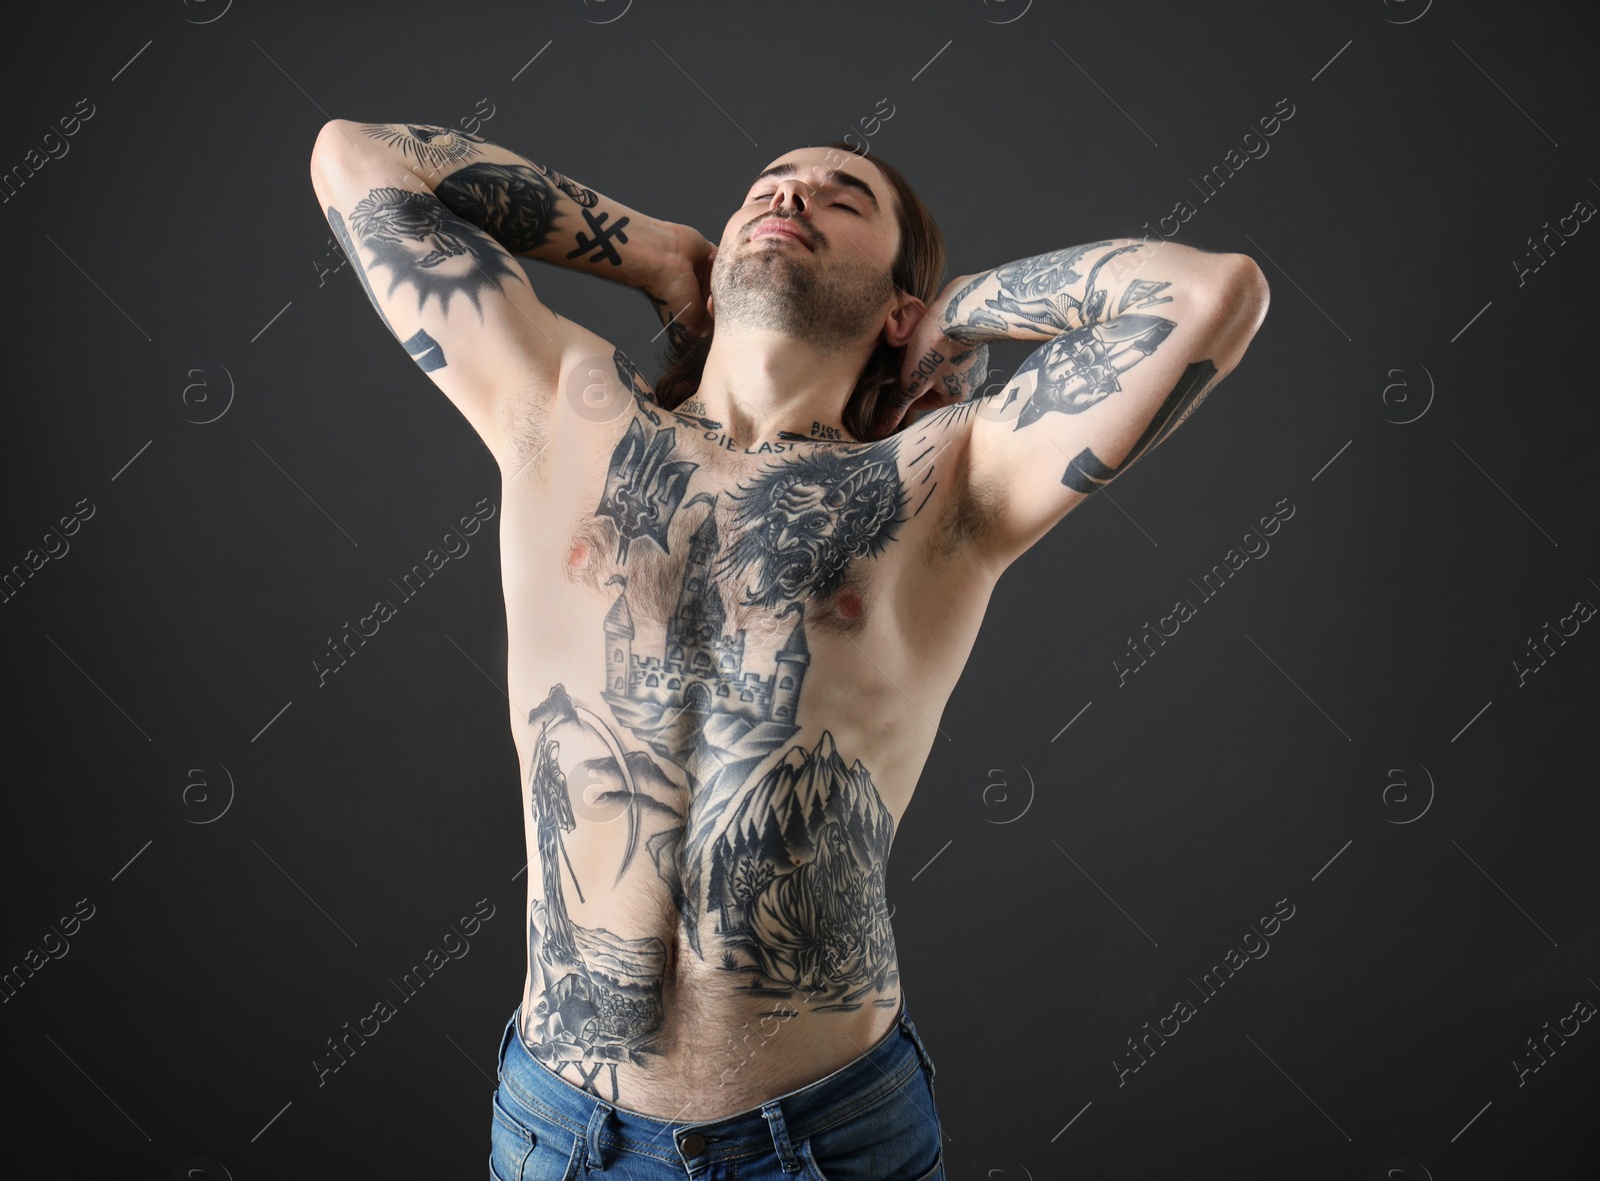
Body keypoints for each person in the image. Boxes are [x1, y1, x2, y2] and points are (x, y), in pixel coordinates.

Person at [308, 119, 1268, 1180]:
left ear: (896, 302)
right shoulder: (562, 405)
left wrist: (957, 312)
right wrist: (649, 249)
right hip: (564, 1132)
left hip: (822, 1140)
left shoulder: (945, 480)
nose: (793, 197)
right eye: (769, 184)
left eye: (843, 197)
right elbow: (357, 157)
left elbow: (1209, 295)